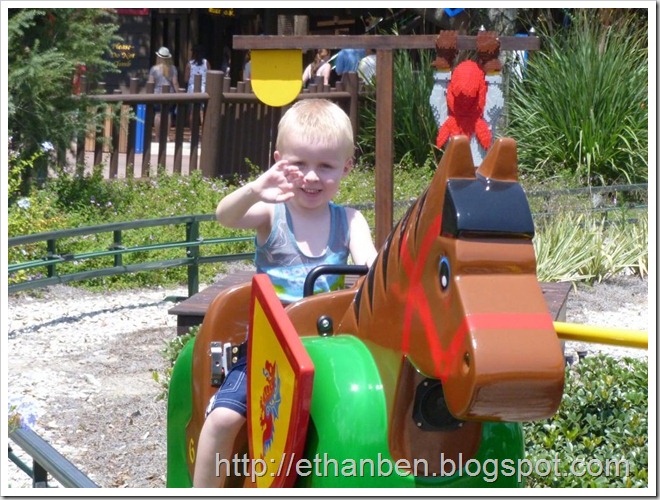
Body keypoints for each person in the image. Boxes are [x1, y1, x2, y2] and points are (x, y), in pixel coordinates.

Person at [192, 99, 377, 488]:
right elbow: (225, 216)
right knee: (223, 419)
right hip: (270, 351)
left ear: (346, 167)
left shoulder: (350, 221)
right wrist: (254, 190)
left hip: (326, 347)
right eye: (299, 164)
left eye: (325, 166)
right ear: (278, 162)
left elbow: (371, 265)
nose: (311, 177)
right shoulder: (270, 213)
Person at [148, 46, 179, 140]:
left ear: (159, 57)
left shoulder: (154, 69)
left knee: (158, 114)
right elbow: (175, 83)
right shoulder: (173, 68)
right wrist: (179, 94)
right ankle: (167, 136)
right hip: (170, 94)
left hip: (157, 94)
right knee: (168, 114)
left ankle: (157, 136)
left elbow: (151, 82)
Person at [184, 44, 211, 125]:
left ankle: (192, 130)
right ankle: (203, 129)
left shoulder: (189, 64)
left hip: (192, 88)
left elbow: (186, 79)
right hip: (203, 88)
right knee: (202, 111)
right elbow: (210, 75)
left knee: (192, 111)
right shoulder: (206, 63)